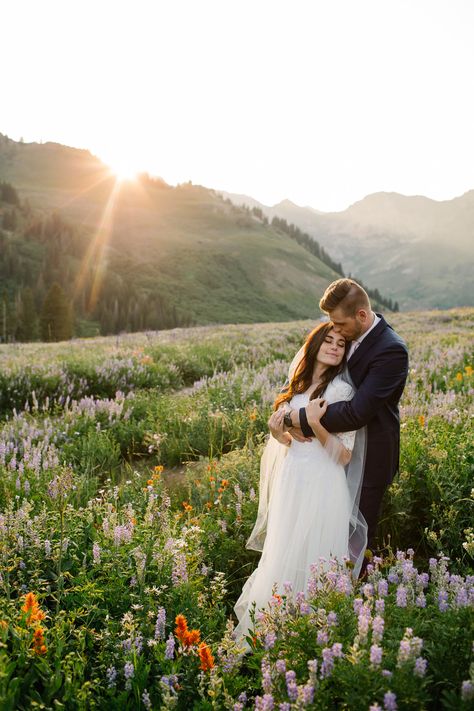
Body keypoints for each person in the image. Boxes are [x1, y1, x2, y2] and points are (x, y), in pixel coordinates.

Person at [233, 322, 367, 645]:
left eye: (341, 343)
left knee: (317, 556)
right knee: (285, 552)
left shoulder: (342, 392)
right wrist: (279, 431)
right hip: (293, 480)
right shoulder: (296, 389)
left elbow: (344, 456)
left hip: (324, 484)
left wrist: (314, 422)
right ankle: (274, 633)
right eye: (328, 341)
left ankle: (316, 636)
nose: (335, 347)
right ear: (315, 345)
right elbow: (290, 443)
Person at [286, 278, 409, 561]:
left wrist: (299, 419)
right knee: (324, 532)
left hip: (370, 461)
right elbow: (311, 376)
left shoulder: (391, 350)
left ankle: (353, 597)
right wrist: (283, 413)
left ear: (362, 316)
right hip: (328, 456)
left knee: (356, 541)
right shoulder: (346, 338)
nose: (335, 330)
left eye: (340, 324)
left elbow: (356, 412)